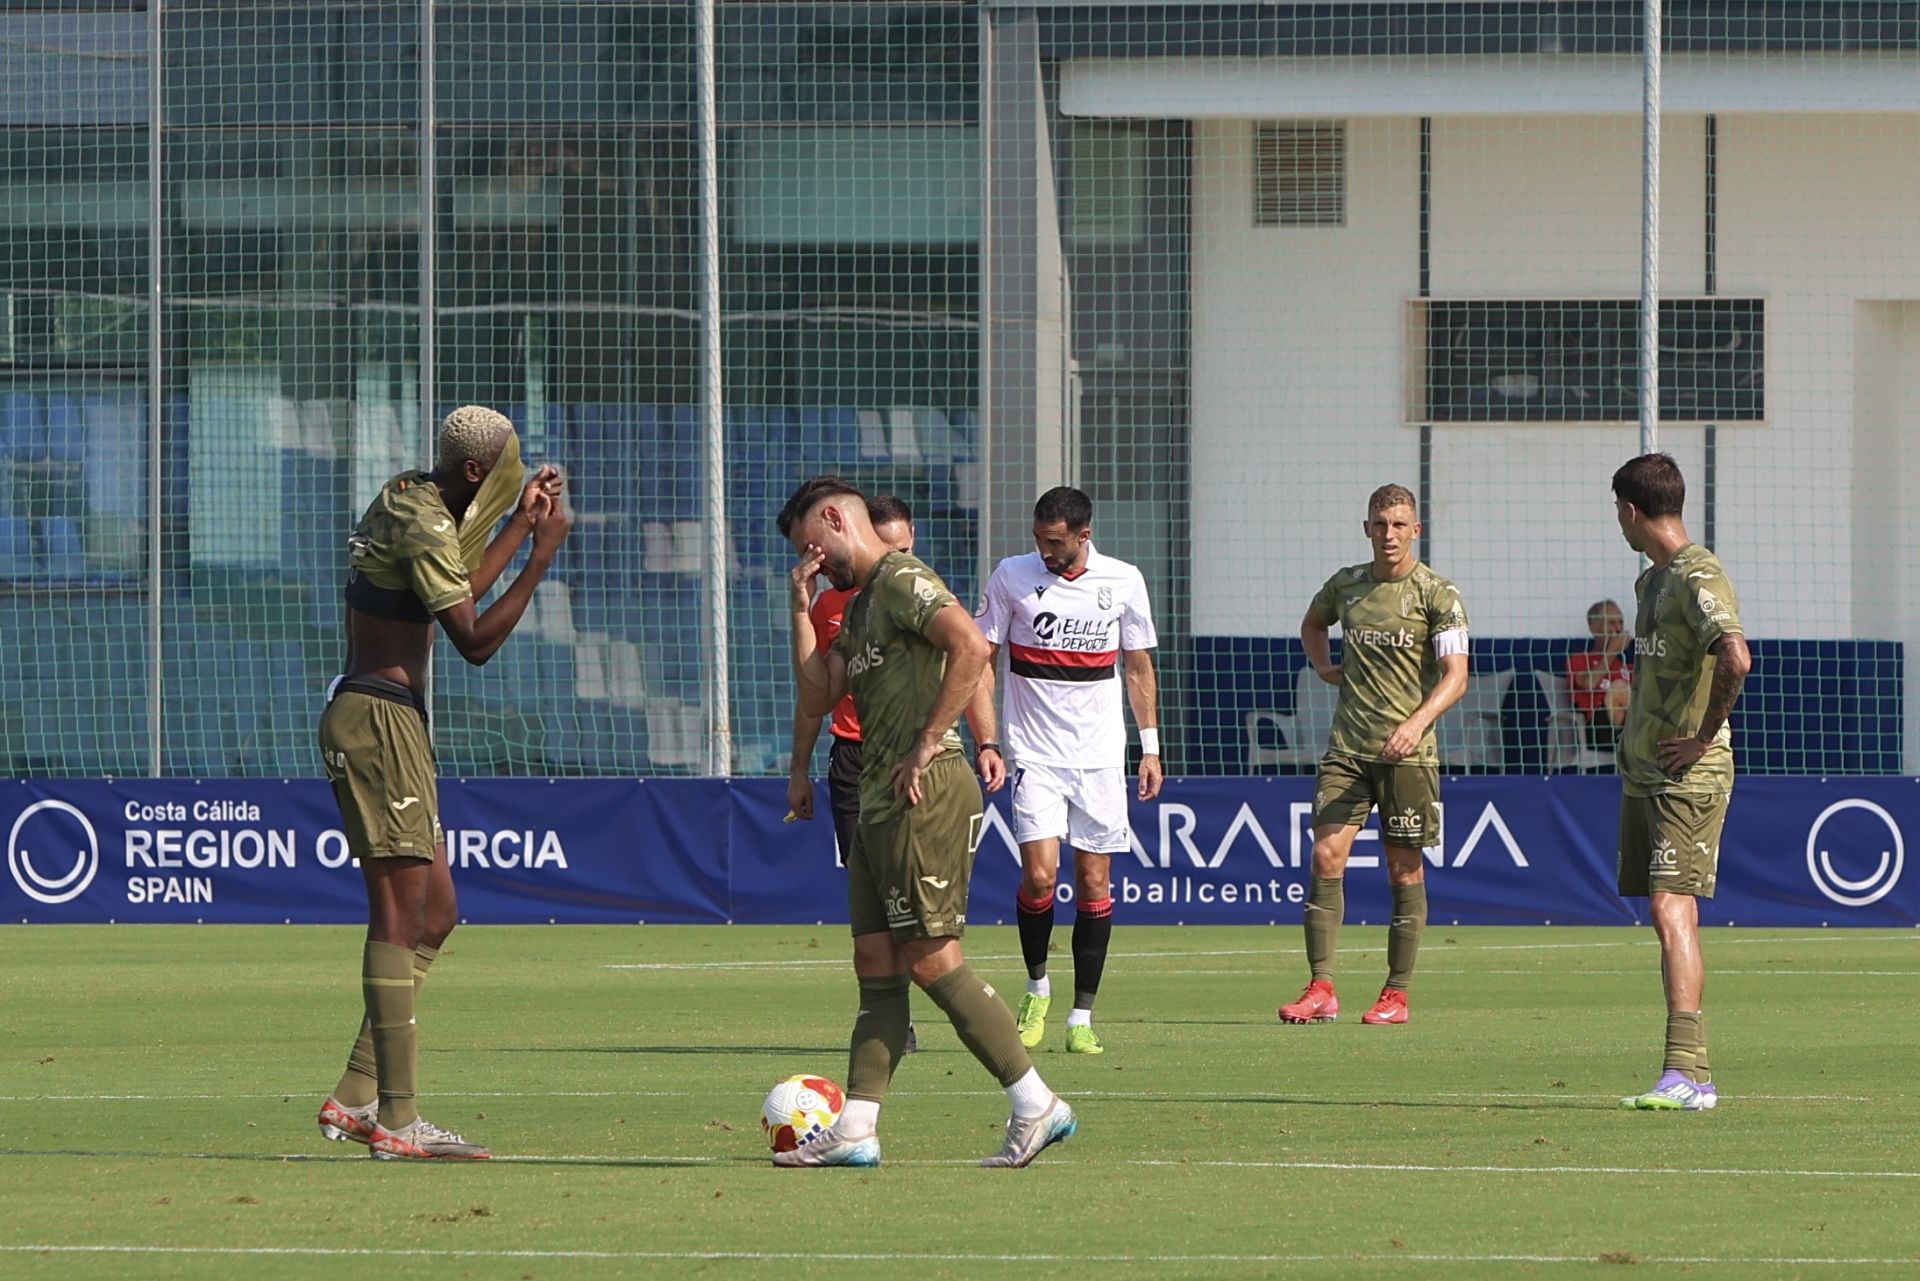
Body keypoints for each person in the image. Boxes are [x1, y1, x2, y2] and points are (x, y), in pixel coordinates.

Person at [776, 475, 1073, 1169]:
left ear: (832, 520)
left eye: (811, 545)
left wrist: (926, 739)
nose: (814, 558)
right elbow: (820, 692)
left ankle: (1037, 1103)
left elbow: (971, 646)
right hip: (878, 797)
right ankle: (857, 1126)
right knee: (875, 961)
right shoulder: (858, 606)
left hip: (925, 786)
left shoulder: (905, 578)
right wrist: (799, 605)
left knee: (933, 958)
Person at [314, 405, 571, 1160]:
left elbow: (453, 587)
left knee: (439, 910)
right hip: (379, 723)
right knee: (397, 916)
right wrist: (541, 557)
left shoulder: (408, 497)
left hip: (391, 721)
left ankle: (358, 1093)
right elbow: (473, 638)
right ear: (474, 472)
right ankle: (398, 1120)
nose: (513, 479)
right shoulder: (424, 521)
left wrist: (520, 525)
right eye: (504, 470)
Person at [974, 486, 1161, 1055]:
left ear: (1084, 536)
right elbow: (981, 660)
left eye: (1054, 542)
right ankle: (1037, 988)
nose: (1044, 550)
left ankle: (1081, 1017)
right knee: (1038, 876)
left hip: (1101, 756)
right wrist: (988, 740)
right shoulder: (1010, 576)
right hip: (1034, 752)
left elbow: (1137, 667)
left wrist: (1149, 748)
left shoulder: (1123, 580)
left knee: (1094, 883)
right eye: (1038, 539)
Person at [1278, 483, 1469, 1028]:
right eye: (1380, 524)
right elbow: (1313, 623)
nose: (1389, 534)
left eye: (1399, 524)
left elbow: (1457, 677)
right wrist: (1322, 666)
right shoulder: (1348, 586)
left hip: (1408, 757)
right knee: (1324, 856)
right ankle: (1320, 987)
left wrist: (1416, 723)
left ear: (1416, 530)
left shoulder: (1437, 593)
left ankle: (1397, 994)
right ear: (1367, 528)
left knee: (1403, 870)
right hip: (1348, 749)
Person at [1610, 453, 1749, 1112]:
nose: (1619, 522)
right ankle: (1697, 1072)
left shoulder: (1700, 574)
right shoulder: (1649, 584)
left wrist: (1700, 736)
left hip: (1688, 776)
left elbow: (1736, 656)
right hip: (1645, 774)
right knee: (1675, 910)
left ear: (1631, 510)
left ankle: (1680, 1071)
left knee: (1669, 909)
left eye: (1618, 511)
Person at [1566, 599, 1633, 760]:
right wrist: (1612, 651)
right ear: (1594, 628)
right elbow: (1589, 683)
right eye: (1611, 623)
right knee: (1619, 688)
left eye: (1620, 622)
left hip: (1628, 727)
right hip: (1597, 730)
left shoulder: (1625, 665)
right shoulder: (1579, 659)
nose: (1617, 629)